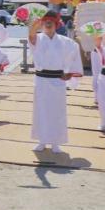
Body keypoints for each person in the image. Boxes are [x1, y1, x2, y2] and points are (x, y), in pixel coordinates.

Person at [28, 10, 83, 153]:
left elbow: (75, 52)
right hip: (41, 80)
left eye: (51, 22)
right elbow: (31, 35)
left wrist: (70, 73)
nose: (48, 24)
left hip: (58, 80)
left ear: (56, 24)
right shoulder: (38, 38)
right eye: (45, 22)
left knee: (57, 112)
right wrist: (35, 25)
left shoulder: (66, 42)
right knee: (41, 111)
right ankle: (42, 141)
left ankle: (55, 142)